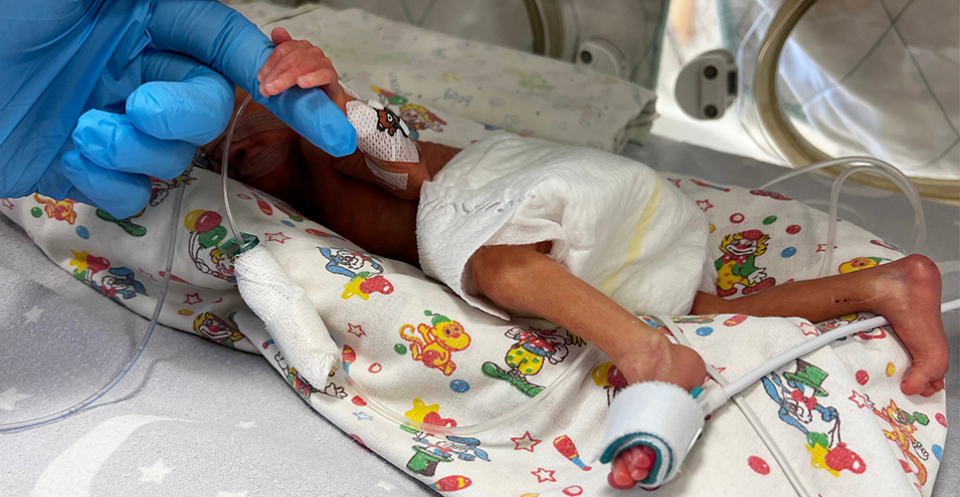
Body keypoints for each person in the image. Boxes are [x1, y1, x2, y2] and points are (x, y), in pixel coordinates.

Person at [206, 30, 949, 489]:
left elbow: (406, 171)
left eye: (244, 113)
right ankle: (887, 285)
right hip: (618, 238)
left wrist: (341, 104)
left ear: (288, 102)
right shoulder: (270, 201)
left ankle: (651, 357)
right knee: (705, 311)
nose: (231, 145)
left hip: (555, 195)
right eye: (212, 149)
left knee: (500, 269)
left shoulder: (326, 152)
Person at [0, 0, 355, 220]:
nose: (228, 151)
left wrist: (332, 96)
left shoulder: (323, 164)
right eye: (212, 154)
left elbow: (373, 150)